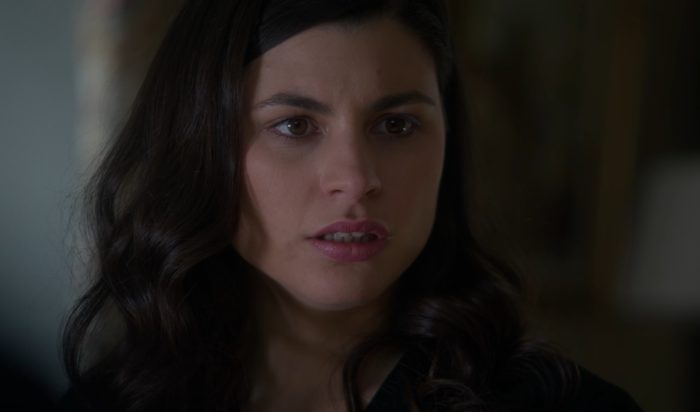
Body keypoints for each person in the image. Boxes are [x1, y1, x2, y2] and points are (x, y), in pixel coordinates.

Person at [62, 0, 643, 411]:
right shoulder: (111, 403)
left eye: (396, 124)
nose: (356, 179)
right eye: (294, 125)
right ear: (198, 147)